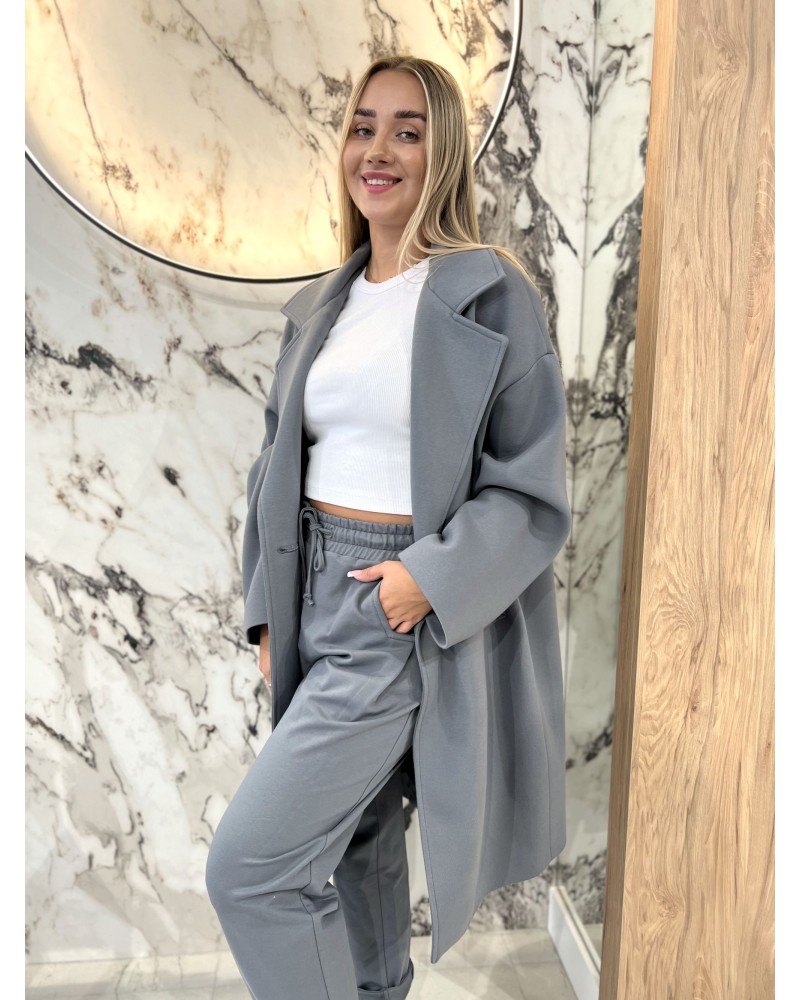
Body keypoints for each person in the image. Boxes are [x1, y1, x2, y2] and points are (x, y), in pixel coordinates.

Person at [206, 55, 572, 1000]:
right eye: (364, 127)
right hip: (311, 592)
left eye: (408, 131)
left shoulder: (488, 294)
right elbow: (276, 463)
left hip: (394, 605)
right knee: (357, 845)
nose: (378, 150)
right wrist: (268, 606)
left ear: (441, 153)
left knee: (250, 872)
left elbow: (531, 491)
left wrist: (426, 581)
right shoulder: (326, 305)